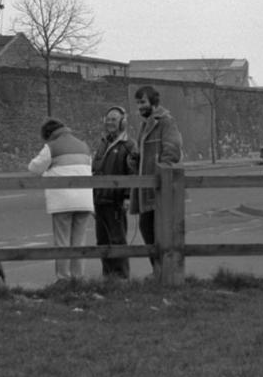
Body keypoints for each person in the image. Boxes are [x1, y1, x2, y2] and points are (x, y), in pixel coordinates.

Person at [28, 118, 95, 281]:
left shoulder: (51, 146)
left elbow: (34, 168)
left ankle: (63, 278)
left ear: (48, 134)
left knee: (62, 241)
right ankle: (78, 278)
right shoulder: (84, 146)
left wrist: (47, 173)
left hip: (63, 201)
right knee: (79, 242)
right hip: (85, 200)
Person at [128, 85, 184, 276]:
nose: (140, 107)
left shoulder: (166, 122)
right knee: (147, 230)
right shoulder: (145, 124)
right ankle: (158, 270)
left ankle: (163, 271)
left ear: (153, 101)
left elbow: (173, 150)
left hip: (160, 190)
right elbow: (143, 153)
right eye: (137, 103)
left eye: (142, 102)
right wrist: (135, 158)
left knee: (158, 233)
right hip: (145, 190)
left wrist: (161, 172)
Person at [91, 106, 138, 279]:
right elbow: (95, 170)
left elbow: (132, 173)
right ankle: (108, 276)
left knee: (117, 241)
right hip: (99, 200)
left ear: (122, 122)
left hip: (116, 201)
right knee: (102, 242)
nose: (110, 123)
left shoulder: (128, 145)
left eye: (114, 119)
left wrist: (127, 197)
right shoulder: (103, 143)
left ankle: (121, 277)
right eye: (108, 119)